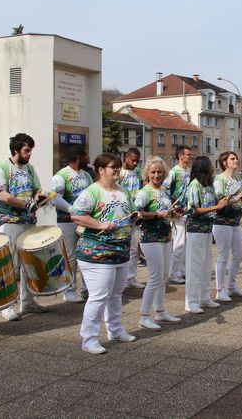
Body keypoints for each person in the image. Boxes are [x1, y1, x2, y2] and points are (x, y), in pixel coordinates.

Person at [71, 154, 136, 354]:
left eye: (118, 167)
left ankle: (115, 330)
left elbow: (131, 213)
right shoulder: (92, 191)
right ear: (100, 170)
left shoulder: (124, 191)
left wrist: (136, 217)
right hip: (97, 252)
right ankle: (88, 339)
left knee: (116, 294)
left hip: (120, 251)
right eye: (112, 167)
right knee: (99, 296)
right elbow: (76, 214)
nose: (116, 170)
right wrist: (100, 224)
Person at [0, 133, 48, 321]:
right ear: (15, 150)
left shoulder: (30, 169)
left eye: (31, 150)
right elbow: (4, 196)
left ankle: (28, 300)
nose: (30, 154)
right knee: (9, 264)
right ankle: (6, 305)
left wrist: (40, 197)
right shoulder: (2, 168)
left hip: (28, 221)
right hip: (10, 222)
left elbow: (36, 190)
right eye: (26, 150)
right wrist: (26, 205)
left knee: (28, 263)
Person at [135, 157, 183, 331]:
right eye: (153, 172)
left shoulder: (164, 191)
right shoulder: (144, 192)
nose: (156, 175)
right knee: (155, 278)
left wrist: (173, 214)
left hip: (165, 238)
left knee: (163, 278)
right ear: (147, 173)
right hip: (150, 238)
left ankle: (160, 311)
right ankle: (144, 316)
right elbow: (138, 213)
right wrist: (157, 215)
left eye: (159, 172)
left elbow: (167, 212)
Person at [184, 156, 229, 313]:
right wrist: (217, 207)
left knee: (206, 265)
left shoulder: (208, 185)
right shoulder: (194, 186)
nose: (213, 167)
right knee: (194, 266)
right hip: (196, 230)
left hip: (207, 229)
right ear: (203, 167)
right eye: (210, 165)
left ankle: (204, 297)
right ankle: (191, 301)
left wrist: (225, 201)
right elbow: (194, 210)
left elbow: (216, 203)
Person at [213, 151, 242, 299]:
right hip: (222, 222)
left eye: (236, 158)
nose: (236, 160)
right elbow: (219, 200)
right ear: (224, 162)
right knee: (223, 256)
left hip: (235, 222)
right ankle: (220, 290)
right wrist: (233, 198)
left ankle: (232, 286)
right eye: (232, 159)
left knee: (238, 255)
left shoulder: (238, 179)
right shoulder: (219, 179)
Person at [50, 146, 92, 303]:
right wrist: (71, 209)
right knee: (70, 255)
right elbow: (55, 198)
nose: (88, 158)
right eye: (85, 155)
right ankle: (69, 290)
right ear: (78, 157)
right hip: (67, 222)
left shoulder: (86, 175)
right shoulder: (61, 175)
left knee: (86, 253)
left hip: (85, 221)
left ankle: (86, 288)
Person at [162, 146, 192, 284]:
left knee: (186, 243)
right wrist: (171, 209)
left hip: (187, 211)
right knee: (179, 243)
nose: (190, 157)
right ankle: (174, 273)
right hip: (177, 212)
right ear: (180, 156)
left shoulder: (189, 172)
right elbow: (164, 191)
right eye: (188, 155)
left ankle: (183, 270)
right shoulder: (173, 172)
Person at [118, 148, 145, 289]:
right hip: (122, 215)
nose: (135, 163)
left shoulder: (138, 172)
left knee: (134, 247)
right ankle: (121, 279)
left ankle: (131, 277)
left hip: (135, 214)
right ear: (126, 157)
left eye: (137, 161)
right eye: (132, 160)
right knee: (122, 247)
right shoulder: (120, 173)